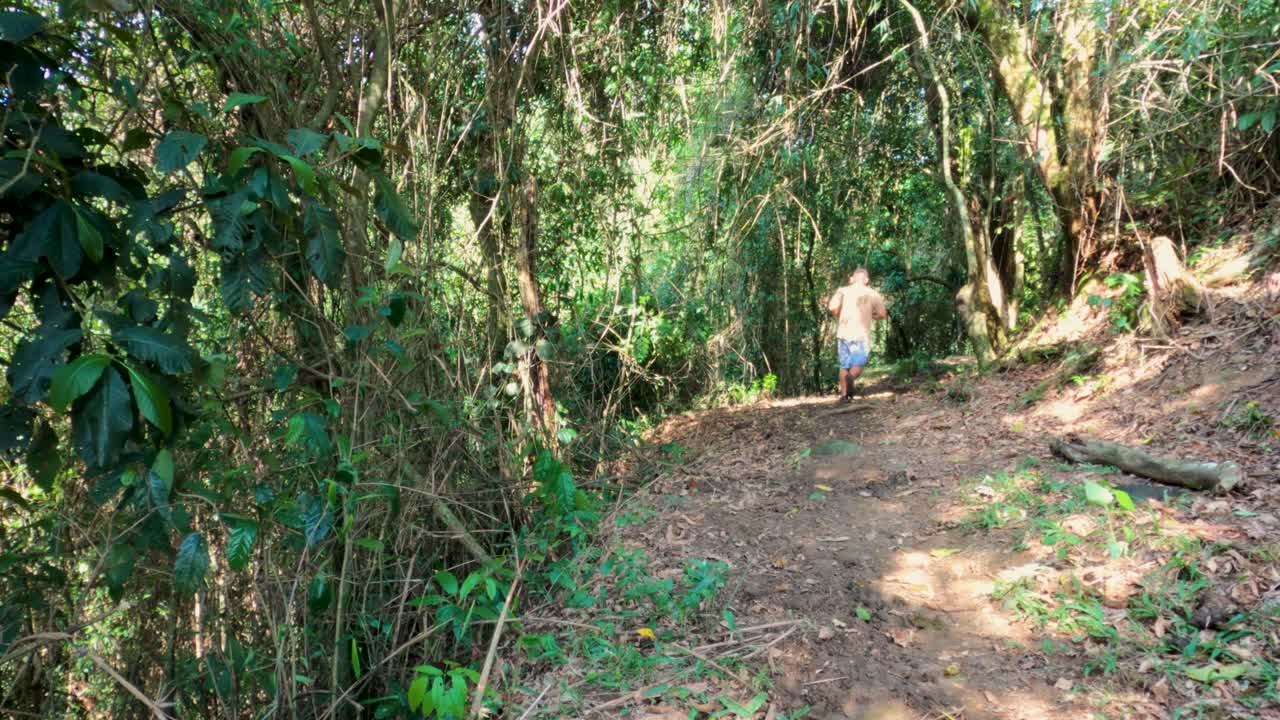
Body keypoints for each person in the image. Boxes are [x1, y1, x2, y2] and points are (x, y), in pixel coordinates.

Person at [827, 268, 888, 403]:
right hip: (860, 335)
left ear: (852, 279)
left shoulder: (843, 290)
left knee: (844, 365)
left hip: (843, 334)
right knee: (859, 363)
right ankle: (851, 377)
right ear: (866, 280)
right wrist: (872, 315)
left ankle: (844, 396)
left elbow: (832, 307)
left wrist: (838, 314)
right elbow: (883, 314)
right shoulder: (873, 294)